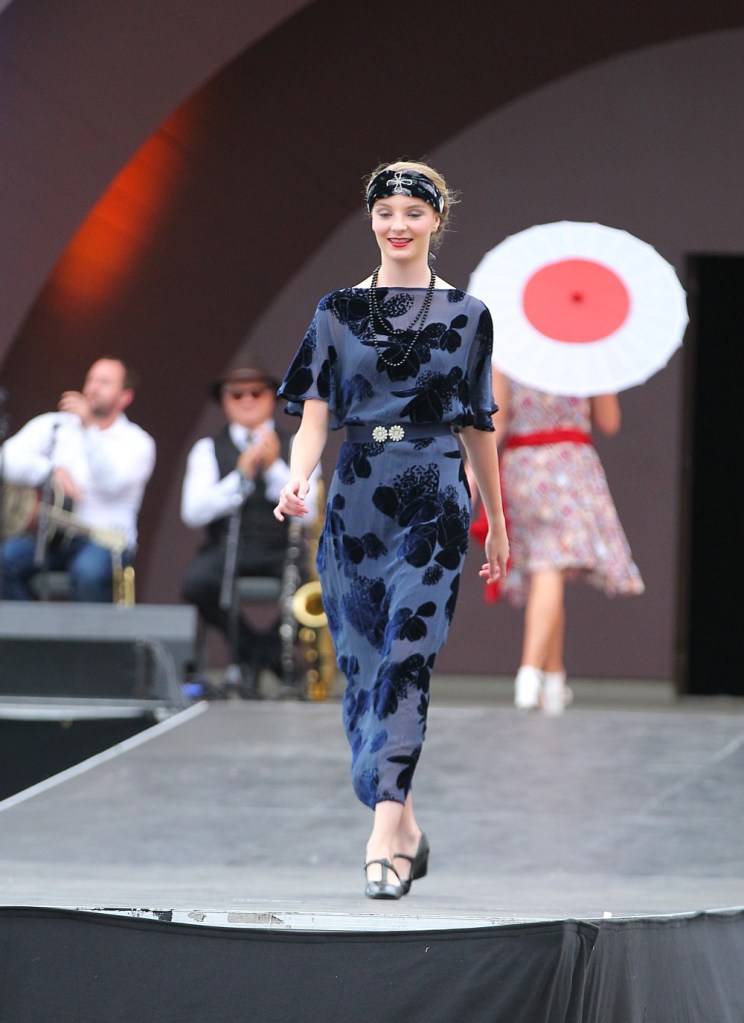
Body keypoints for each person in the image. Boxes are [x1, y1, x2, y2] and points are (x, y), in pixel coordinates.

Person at [273, 160, 509, 899]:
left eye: (413, 211)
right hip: (356, 499)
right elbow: (314, 417)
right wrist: (298, 476)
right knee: (363, 666)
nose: (398, 224)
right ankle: (402, 820)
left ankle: (382, 834)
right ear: (371, 218)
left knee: (409, 657)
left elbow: (478, 425)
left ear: (438, 219)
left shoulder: (468, 315)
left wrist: (497, 521)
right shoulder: (336, 311)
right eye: (386, 211)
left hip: (435, 493)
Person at [484, 371, 644, 715]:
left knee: (548, 571)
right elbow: (609, 422)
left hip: (524, 467)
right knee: (550, 567)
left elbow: (498, 419)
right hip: (571, 466)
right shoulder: (588, 357)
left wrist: (474, 469)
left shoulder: (512, 354)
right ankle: (528, 674)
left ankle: (554, 679)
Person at [181, 357, 314, 693]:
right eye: (236, 394)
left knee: (316, 591)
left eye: (256, 392)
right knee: (196, 583)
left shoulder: (298, 445)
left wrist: (273, 469)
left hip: (281, 548)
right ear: (224, 400)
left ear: (272, 397)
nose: (247, 400)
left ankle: (255, 655)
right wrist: (241, 475)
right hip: (227, 546)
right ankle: (258, 652)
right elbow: (193, 512)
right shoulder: (207, 449)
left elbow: (311, 512)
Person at [0, 358, 155, 601]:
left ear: (125, 397)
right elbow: (6, 459)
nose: (93, 387)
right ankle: (28, 627)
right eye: (91, 379)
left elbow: (111, 483)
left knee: (88, 572)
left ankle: (89, 629)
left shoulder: (137, 442)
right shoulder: (57, 425)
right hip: (52, 537)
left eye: (104, 382)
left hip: (104, 541)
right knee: (6, 559)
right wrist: (49, 470)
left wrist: (90, 428)